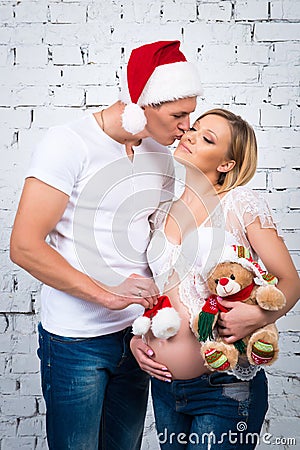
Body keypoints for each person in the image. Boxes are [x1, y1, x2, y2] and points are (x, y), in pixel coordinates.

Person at [9, 40, 203, 450]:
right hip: (75, 341)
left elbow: (155, 245)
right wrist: (104, 293)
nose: (188, 125)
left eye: (191, 112)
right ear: (142, 104)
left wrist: (159, 321)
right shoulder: (68, 143)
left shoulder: (161, 155)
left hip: (136, 338)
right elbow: (24, 246)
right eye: (178, 114)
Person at [131, 108, 300, 450]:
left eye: (207, 138)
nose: (190, 136)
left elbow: (290, 281)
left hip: (223, 389)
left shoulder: (241, 203)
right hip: (164, 390)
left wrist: (261, 314)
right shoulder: (162, 208)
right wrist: (139, 341)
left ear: (226, 164)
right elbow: (156, 291)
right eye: (193, 129)